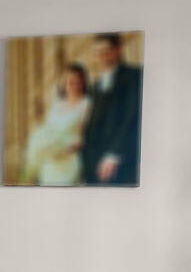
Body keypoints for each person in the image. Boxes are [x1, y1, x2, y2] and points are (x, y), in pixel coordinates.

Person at [78, 33, 142, 185]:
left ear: (118, 50)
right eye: (97, 53)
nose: (101, 57)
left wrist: (113, 154)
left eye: (105, 51)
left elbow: (132, 117)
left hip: (117, 162)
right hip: (92, 162)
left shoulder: (135, 76)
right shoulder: (95, 85)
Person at [19, 63, 91, 185]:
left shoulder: (87, 104)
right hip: (50, 159)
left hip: (70, 156)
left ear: (83, 82)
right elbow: (48, 129)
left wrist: (71, 146)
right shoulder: (57, 105)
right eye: (69, 81)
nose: (72, 85)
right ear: (64, 83)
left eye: (77, 81)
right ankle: (27, 176)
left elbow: (86, 133)